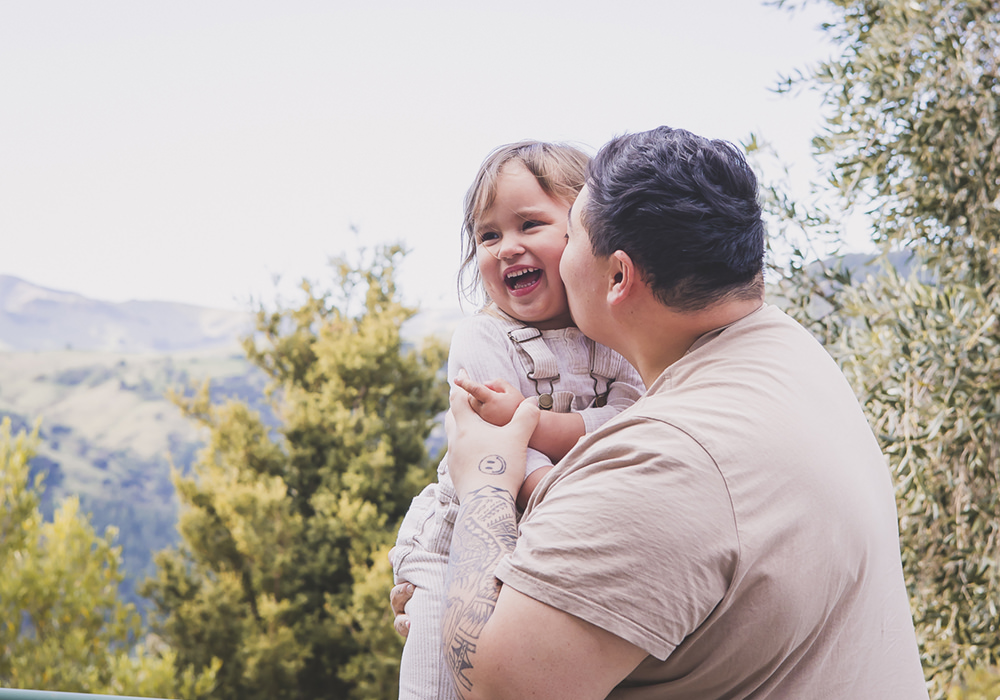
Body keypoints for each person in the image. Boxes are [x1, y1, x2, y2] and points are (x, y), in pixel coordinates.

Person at [393, 126, 928, 699]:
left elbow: (498, 686)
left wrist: (484, 490)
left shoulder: (666, 463)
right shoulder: (787, 351)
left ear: (618, 276)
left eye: (568, 233)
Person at [389, 140, 645, 700]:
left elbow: (633, 416)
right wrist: (533, 446)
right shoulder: (483, 338)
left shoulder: (610, 333)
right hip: (459, 542)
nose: (508, 247)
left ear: (587, 234)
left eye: (530, 224)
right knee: (439, 680)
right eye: (488, 235)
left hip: (558, 537)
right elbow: (496, 456)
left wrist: (532, 424)